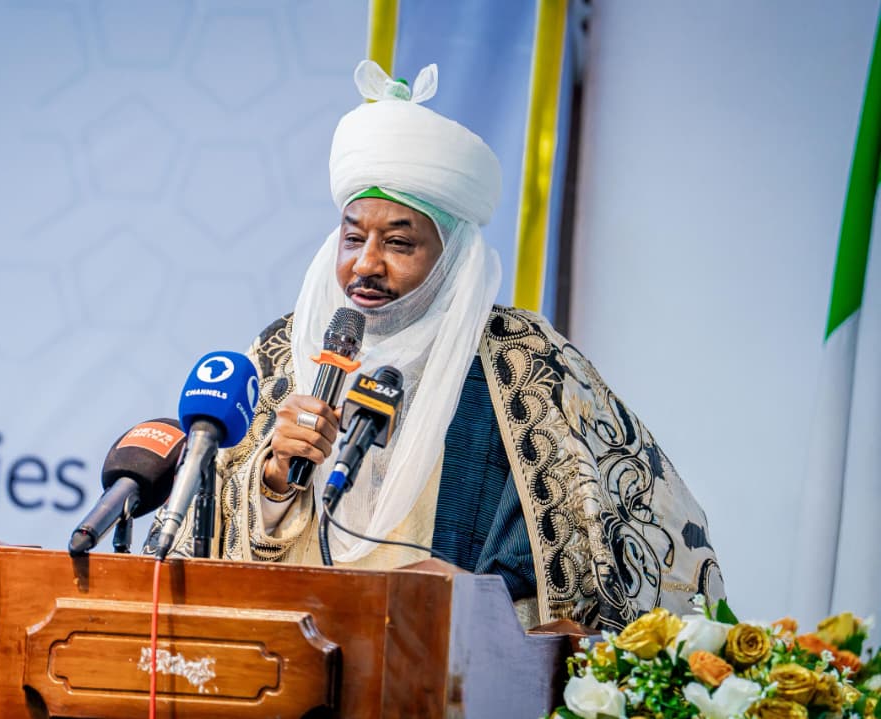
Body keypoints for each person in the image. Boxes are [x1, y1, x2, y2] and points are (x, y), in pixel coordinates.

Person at [145, 60, 723, 631]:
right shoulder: (282, 351)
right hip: (289, 653)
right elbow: (206, 544)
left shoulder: (520, 361)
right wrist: (274, 478)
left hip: (452, 660)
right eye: (353, 238)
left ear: (452, 258)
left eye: (399, 243)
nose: (366, 264)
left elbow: (585, 546)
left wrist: (472, 597)